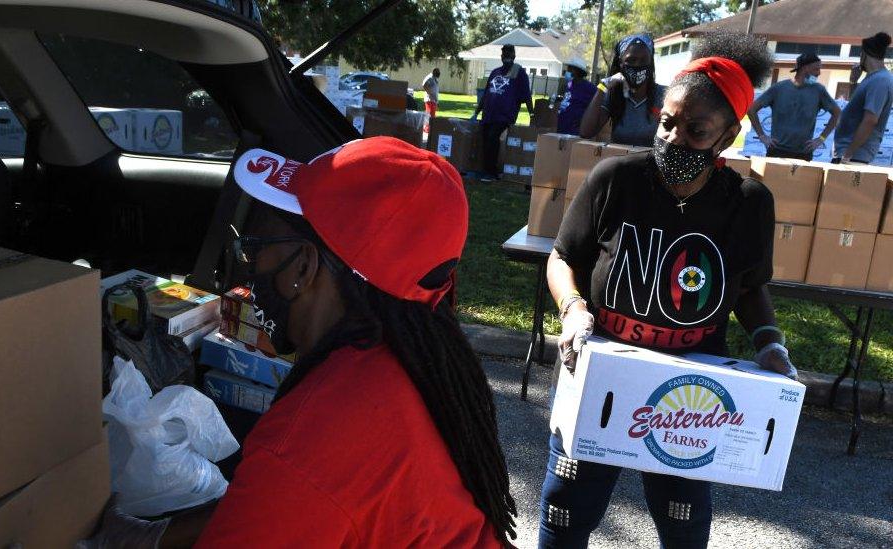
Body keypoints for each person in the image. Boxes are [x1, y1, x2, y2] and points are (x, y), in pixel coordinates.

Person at [79, 137, 519, 547]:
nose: (249, 267)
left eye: (256, 247)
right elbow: (270, 506)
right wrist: (156, 538)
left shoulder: (310, 440)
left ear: (303, 268)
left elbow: (296, 484)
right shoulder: (408, 363)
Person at [541, 32, 796, 548]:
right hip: (602, 370)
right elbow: (563, 257)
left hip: (691, 392)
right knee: (566, 509)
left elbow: (749, 288)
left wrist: (769, 342)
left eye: (696, 131)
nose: (674, 139)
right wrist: (572, 310)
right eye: (667, 123)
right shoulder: (617, 178)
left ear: (726, 137)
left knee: (683, 519)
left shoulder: (748, 203)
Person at [747, 53, 841, 161]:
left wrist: (821, 139)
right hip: (777, 152)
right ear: (804, 68)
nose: (819, 73)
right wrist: (762, 136)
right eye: (816, 69)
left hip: (803, 154)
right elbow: (751, 109)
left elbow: (837, 113)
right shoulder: (779, 88)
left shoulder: (819, 91)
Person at [579, 33, 666, 146]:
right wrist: (602, 87)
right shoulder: (614, 95)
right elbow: (586, 132)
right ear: (621, 63)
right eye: (631, 60)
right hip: (621, 162)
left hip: (651, 162)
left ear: (651, 63)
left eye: (643, 60)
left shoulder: (664, 96)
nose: (637, 65)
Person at [472, 44, 533, 181]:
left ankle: (491, 173)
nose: (506, 56)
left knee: (493, 138)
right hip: (489, 114)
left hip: (505, 115)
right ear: (501, 56)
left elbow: (526, 95)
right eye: (504, 54)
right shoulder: (495, 72)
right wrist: (477, 112)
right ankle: (486, 169)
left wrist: (532, 114)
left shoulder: (518, 72)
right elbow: (486, 94)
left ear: (514, 56)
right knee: (486, 139)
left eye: (509, 54)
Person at [833, 32, 893, 164]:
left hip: (854, 156)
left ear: (865, 54)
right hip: (849, 153)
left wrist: (848, 155)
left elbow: (870, 120)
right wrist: (853, 83)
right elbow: (856, 109)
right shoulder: (872, 78)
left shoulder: (880, 80)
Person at [556, 58, 597, 136]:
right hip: (562, 129)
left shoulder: (589, 88)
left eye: (570, 69)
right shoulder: (568, 85)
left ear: (578, 71)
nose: (567, 71)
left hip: (576, 132)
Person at [423, 67, 441, 133]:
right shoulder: (430, 77)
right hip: (429, 99)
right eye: (438, 72)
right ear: (434, 72)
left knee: (432, 115)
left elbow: (435, 90)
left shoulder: (434, 78)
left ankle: (430, 128)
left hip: (434, 100)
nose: (439, 74)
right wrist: (428, 92)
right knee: (429, 114)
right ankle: (427, 129)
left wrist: (437, 101)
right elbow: (424, 85)